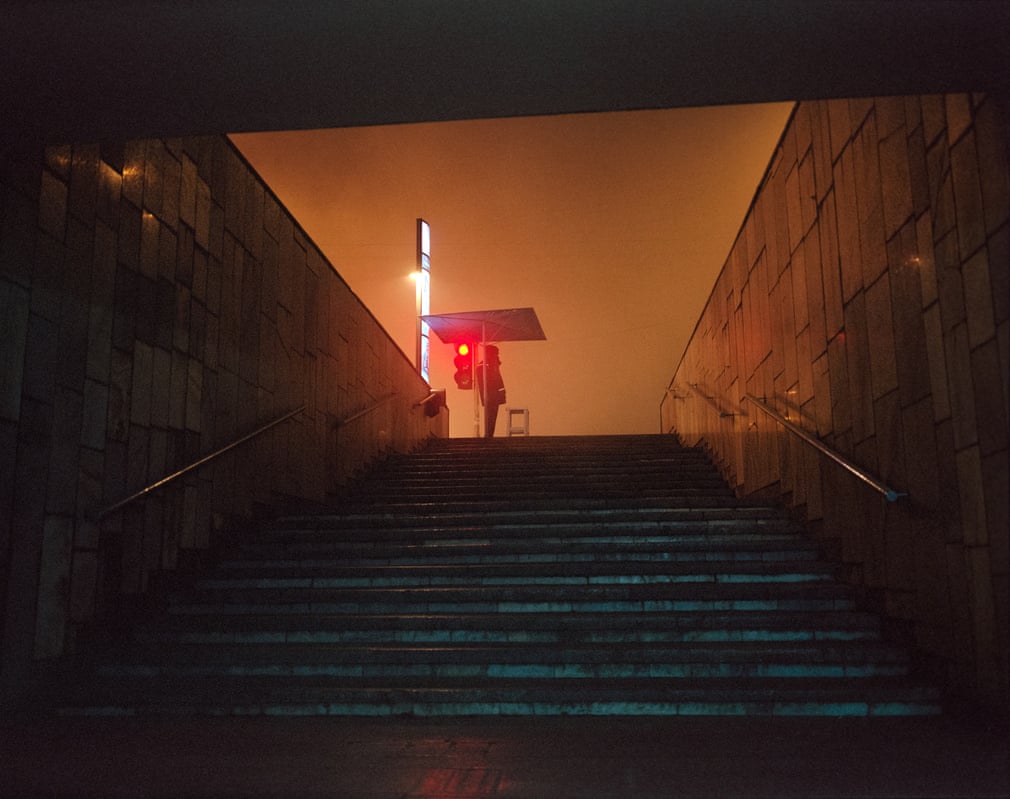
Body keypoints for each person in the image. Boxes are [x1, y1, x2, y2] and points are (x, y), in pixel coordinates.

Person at [477, 345, 506, 438]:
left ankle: (489, 434)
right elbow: (493, 381)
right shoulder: (485, 366)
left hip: (493, 396)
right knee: (490, 416)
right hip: (491, 396)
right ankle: (488, 434)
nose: (497, 356)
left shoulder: (491, 365)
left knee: (492, 417)